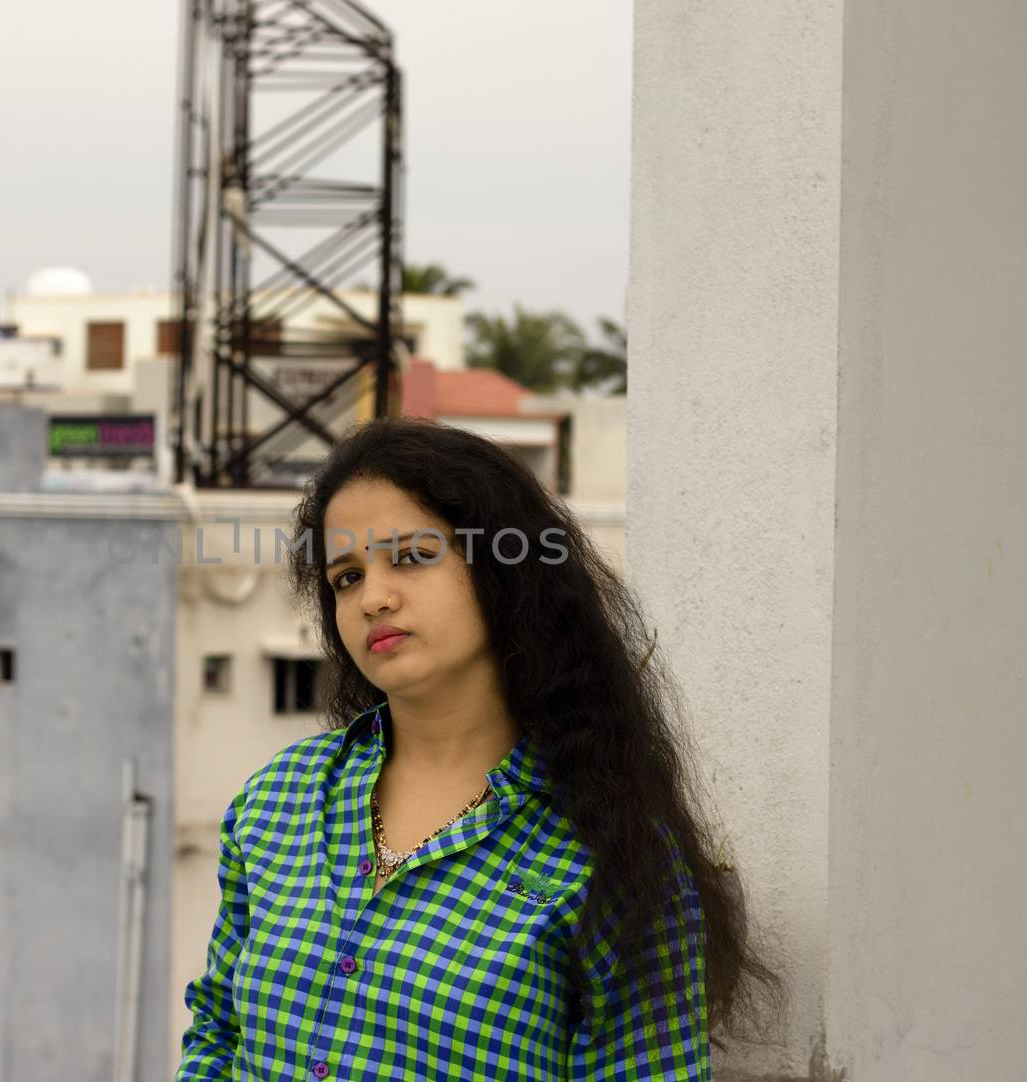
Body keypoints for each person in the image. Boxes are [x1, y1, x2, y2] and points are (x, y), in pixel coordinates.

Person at [176, 417, 781, 1080]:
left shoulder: (610, 850)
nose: (374, 597)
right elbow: (217, 1027)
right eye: (347, 578)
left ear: (504, 569)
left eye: (410, 557)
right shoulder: (278, 800)